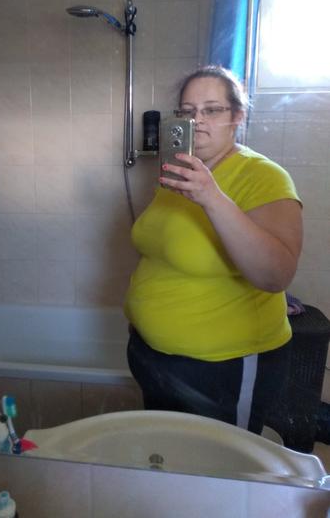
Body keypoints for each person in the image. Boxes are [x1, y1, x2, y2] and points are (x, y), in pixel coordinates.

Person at [124, 65, 303, 434]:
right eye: (188, 111)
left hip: (223, 368)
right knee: (173, 456)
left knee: (222, 463)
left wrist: (211, 197)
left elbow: (276, 274)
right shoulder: (178, 173)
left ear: (237, 116)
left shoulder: (264, 176)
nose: (198, 121)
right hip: (155, 359)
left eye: (212, 110)